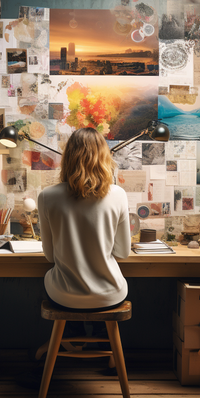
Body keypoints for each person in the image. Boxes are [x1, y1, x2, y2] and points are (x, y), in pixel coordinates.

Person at [37, 127, 131, 311]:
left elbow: (49, 257)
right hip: (110, 295)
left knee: (52, 279)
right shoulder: (118, 194)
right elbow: (123, 253)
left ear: (68, 157)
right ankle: (98, 335)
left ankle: (72, 336)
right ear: (104, 157)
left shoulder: (47, 196)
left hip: (64, 296)